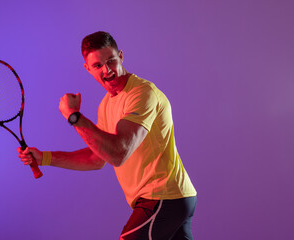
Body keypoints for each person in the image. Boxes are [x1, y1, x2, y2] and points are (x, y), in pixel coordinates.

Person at [17, 31, 197, 240]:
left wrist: (74, 117)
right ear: (88, 69)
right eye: (97, 65)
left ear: (121, 56)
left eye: (111, 61)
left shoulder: (142, 93)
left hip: (162, 197)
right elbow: (97, 158)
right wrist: (45, 158)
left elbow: (118, 153)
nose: (107, 70)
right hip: (173, 198)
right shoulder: (107, 104)